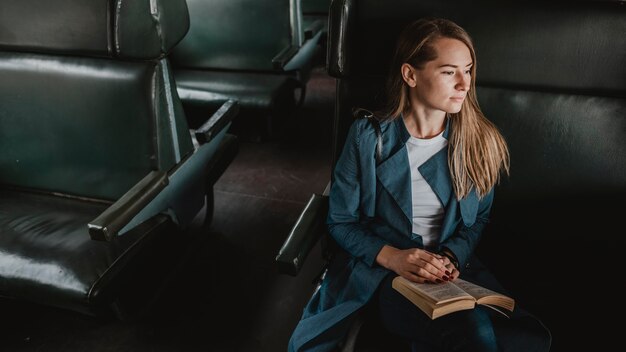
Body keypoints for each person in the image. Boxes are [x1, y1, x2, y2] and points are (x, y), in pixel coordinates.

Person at [288, 18, 552, 352]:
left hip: (451, 273)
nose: (464, 83)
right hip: (382, 272)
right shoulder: (368, 138)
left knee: (493, 334)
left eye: (468, 70)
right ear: (410, 75)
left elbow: (478, 219)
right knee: (473, 333)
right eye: (448, 72)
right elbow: (341, 221)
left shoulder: (479, 141)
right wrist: (394, 258)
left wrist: (450, 256)